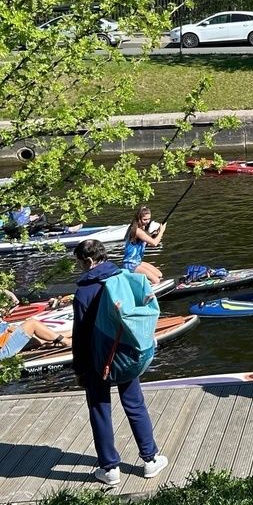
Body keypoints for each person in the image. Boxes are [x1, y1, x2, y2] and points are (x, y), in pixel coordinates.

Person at [71, 238, 167, 486]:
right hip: (123, 352)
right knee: (135, 403)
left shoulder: (83, 291)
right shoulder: (123, 277)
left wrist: (79, 369)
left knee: (99, 410)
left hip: (95, 360)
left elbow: (79, 336)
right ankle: (150, 459)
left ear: (88, 261)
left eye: (80, 263)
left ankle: (110, 468)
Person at [122, 205, 165, 284]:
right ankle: (149, 293)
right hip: (130, 264)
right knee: (156, 280)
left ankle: (146, 284)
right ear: (138, 218)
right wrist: (162, 231)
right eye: (145, 219)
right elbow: (154, 243)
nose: (147, 221)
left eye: (149, 219)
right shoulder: (137, 231)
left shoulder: (142, 228)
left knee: (159, 275)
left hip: (138, 262)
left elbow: (147, 242)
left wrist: (154, 234)